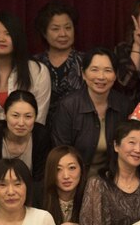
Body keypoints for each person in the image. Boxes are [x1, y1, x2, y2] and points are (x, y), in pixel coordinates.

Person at [50, 47, 134, 177]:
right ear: (83, 74)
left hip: (112, 179)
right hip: (76, 179)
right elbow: (61, 152)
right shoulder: (68, 106)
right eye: (94, 70)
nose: (101, 77)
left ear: (115, 75)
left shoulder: (124, 105)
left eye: (108, 70)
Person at [0, 12, 51, 125]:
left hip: (27, 135)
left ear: (18, 37)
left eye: (8, 34)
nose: (1, 39)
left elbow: (39, 119)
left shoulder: (38, 71)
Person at [0, 89, 51, 186]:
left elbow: (41, 179)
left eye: (28, 116)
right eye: (15, 116)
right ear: (5, 115)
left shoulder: (41, 136)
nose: (21, 123)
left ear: (35, 117)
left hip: (33, 192)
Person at [32, 0, 84, 109]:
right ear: (44, 33)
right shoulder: (34, 64)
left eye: (68, 28)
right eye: (55, 29)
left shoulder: (86, 61)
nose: (63, 34)